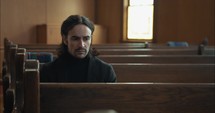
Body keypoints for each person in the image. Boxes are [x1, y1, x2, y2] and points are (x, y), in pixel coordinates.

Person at [40, 15, 117, 82]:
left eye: (86, 38)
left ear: (91, 39)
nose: (81, 45)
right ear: (65, 39)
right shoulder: (48, 71)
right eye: (75, 39)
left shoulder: (106, 71)